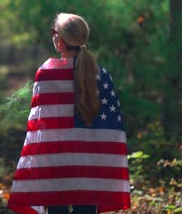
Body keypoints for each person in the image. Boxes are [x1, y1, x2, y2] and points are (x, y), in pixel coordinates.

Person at [7, 13, 131, 214]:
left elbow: (39, 125)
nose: (52, 37)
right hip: (91, 163)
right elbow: (112, 128)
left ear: (61, 39)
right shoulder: (101, 74)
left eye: (53, 32)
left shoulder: (46, 74)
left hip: (56, 162)